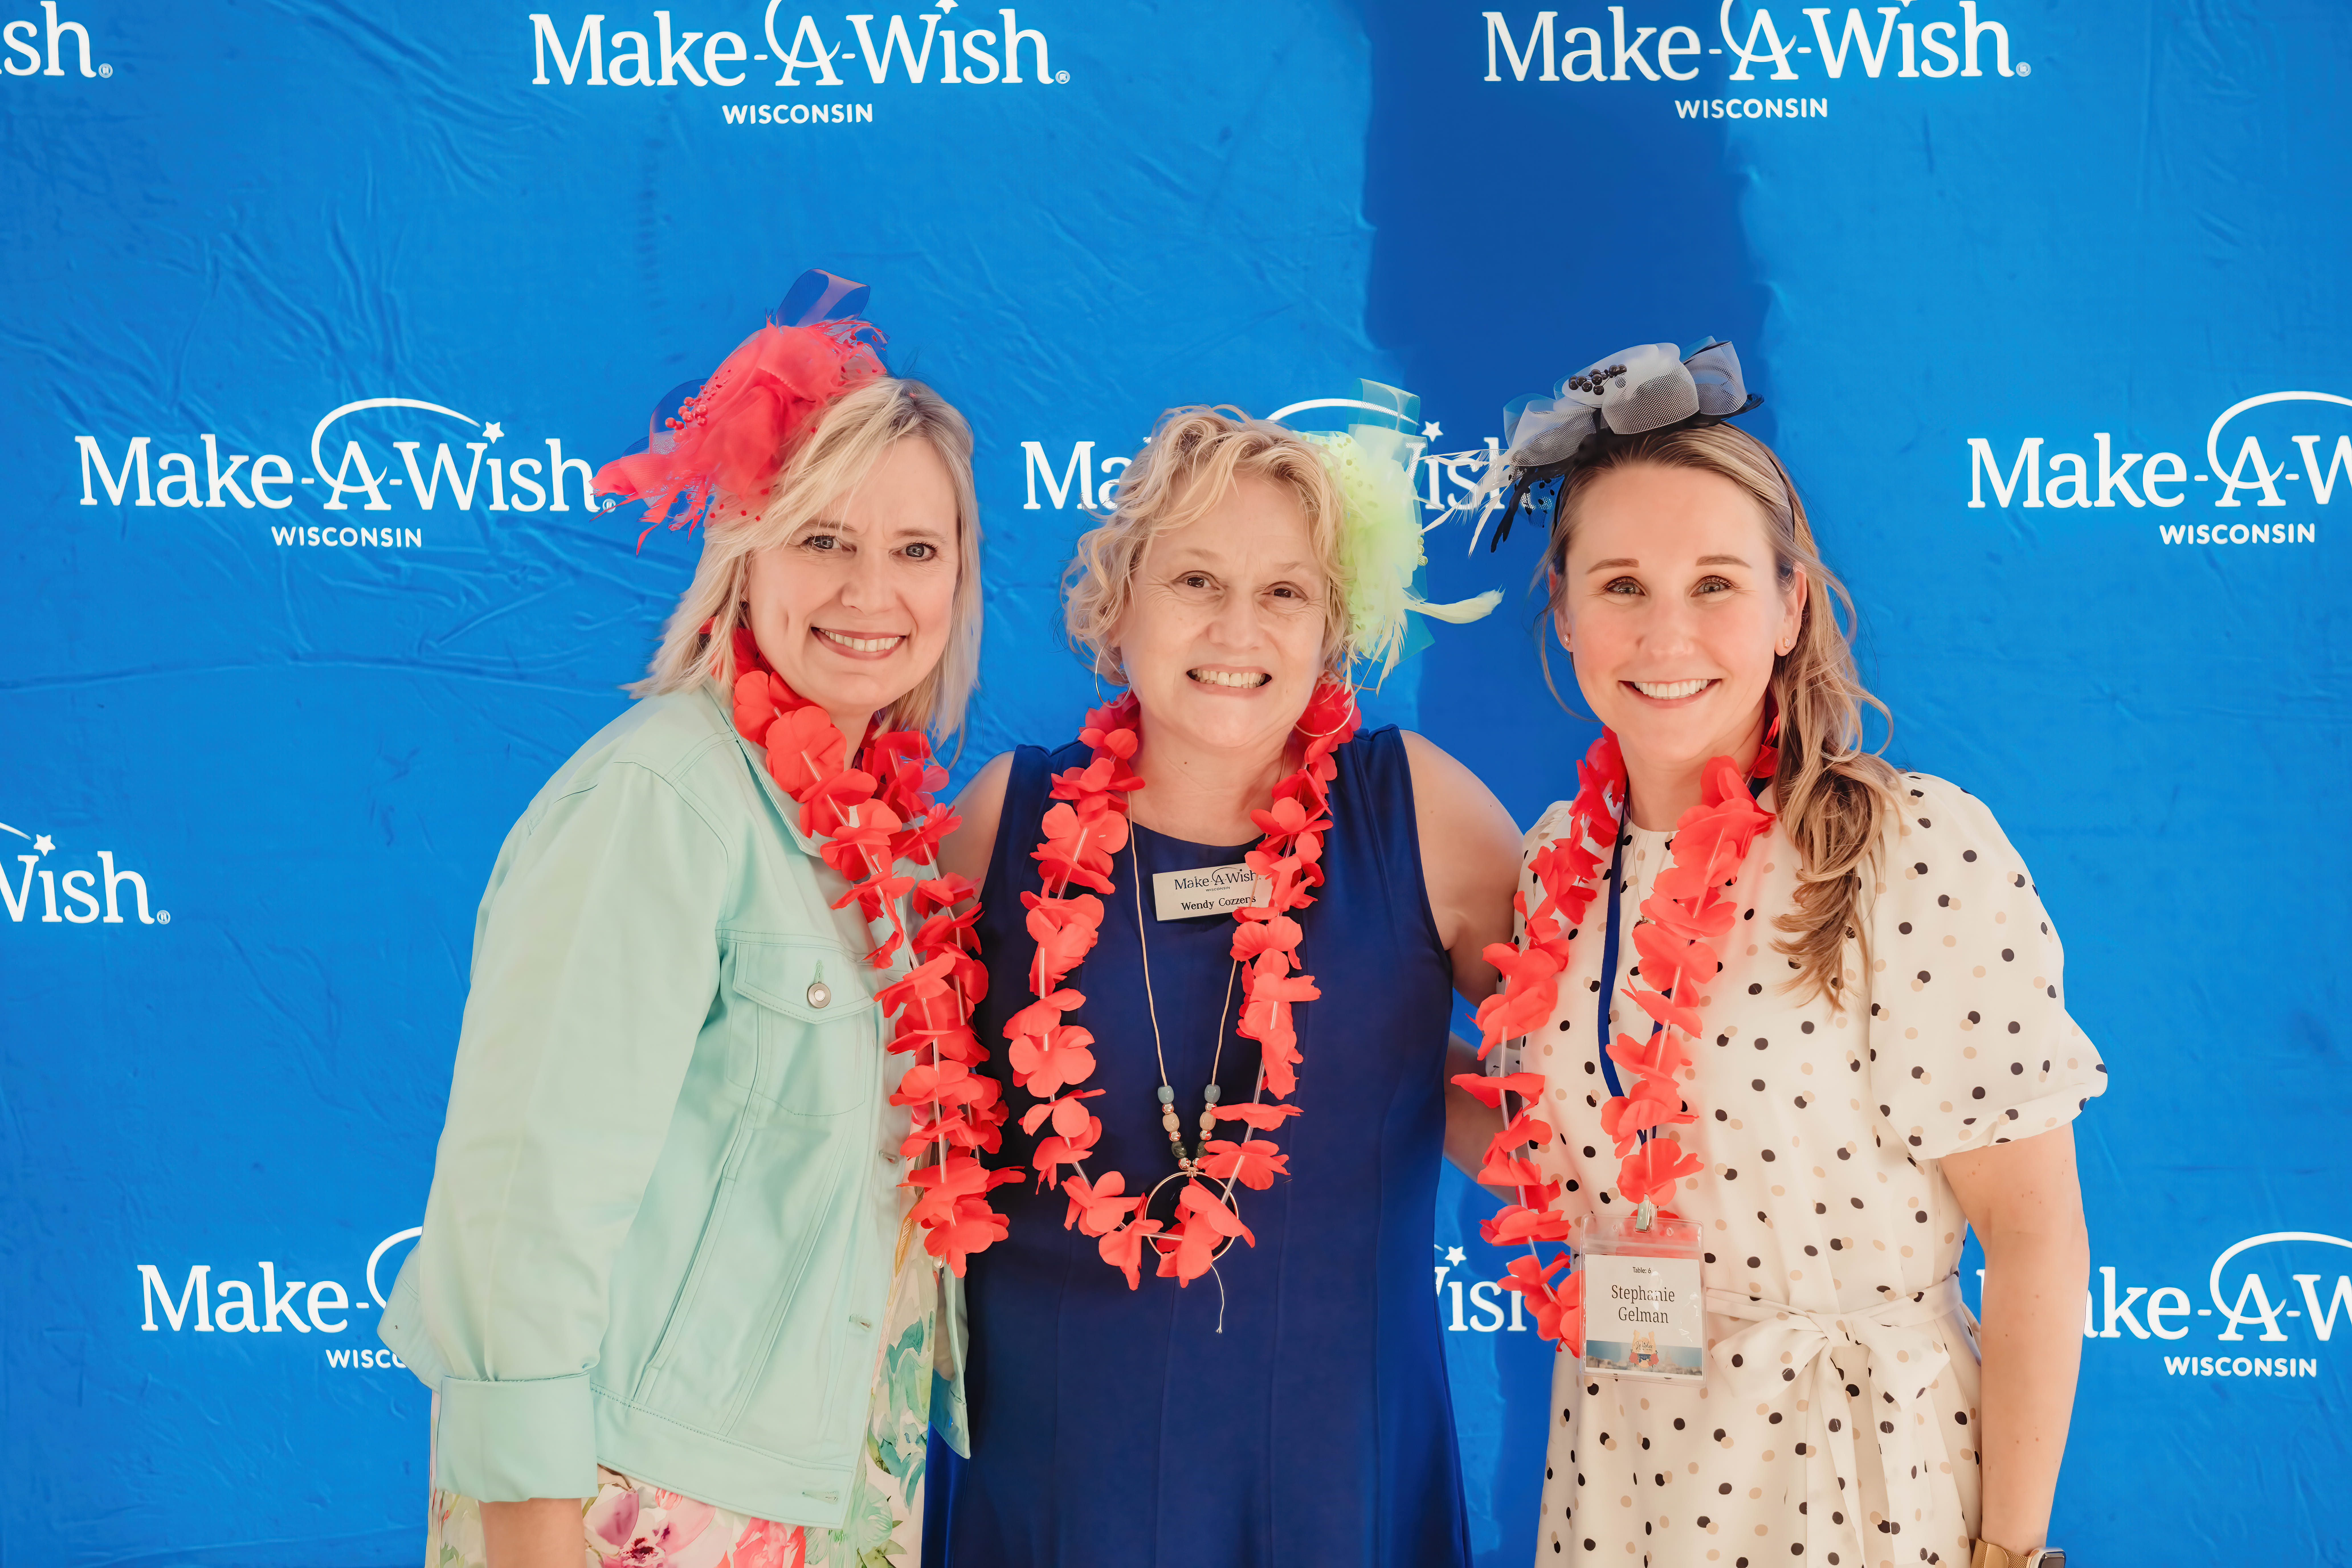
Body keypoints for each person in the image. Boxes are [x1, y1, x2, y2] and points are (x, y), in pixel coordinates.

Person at [1455, 342, 2100, 1568]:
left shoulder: (1904, 850)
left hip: (1851, 1477)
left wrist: (2012, 1553)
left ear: (1790, 606)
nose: (1666, 632)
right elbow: (1550, 1145)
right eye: (1623, 584)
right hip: (1623, 1467)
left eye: (1714, 583)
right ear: (1565, 608)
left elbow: (2034, 1233)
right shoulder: (1554, 869)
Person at [377, 274, 987, 1568]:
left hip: (832, 1491)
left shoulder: (874, 835)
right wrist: (535, 1537)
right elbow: (521, 1200)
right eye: (824, 537)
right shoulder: (662, 796)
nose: (871, 591)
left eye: (915, 550)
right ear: (746, 551)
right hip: (628, 1503)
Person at [920, 390, 1521, 1567]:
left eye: (1284, 591)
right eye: (1197, 581)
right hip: (1054, 1489)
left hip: (1336, 1482)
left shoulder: (1415, 811)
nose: (1238, 629)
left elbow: (1555, 1096)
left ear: (1329, 624)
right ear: (1121, 601)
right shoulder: (1003, 820)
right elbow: (895, 1118)